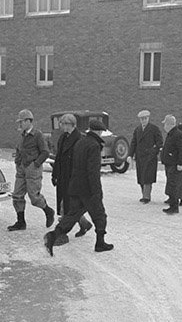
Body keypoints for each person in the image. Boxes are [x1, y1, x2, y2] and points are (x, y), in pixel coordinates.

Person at [44, 119, 114, 254]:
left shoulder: (80, 142)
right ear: (98, 131)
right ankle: (100, 243)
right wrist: (97, 192)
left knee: (72, 215)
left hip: (75, 186)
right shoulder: (94, 145)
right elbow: (92, 172)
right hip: (88, 189)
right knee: (100, 215)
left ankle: (53, 236)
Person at [7, 109, 55, 232]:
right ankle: (21, 222)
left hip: (33, 169)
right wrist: (17, 162)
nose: (20, 124)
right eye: (19, 122)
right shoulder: (22, 135)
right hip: (22, 169)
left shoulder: (37, 135)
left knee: (34, 197)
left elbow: (45, 152)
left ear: (29, 121)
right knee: (17, 195)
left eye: (22, 122)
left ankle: (48, 211)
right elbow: (19, 150)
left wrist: (36, 164)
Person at [50, 113, 92, 243]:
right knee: (68, 204)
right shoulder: (63, 137)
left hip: (73, 177)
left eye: (64, 124)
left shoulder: (79, 139)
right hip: (63, 176)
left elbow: (81, 162)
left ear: (71, 125)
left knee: (66, 205)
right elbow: (58, 158)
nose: (62, 126)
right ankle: (84, 224)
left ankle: (62, 234)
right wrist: (55, 174)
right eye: (61, 123)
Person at [130, 109, 164, 203]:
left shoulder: (154, 129)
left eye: (145, 118)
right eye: (141, 119)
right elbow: (134, 142)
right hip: (140, 157)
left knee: (147, 177)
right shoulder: (137, 129)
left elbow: (159, 143)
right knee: (141, 177)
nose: (143, 120)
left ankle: (146, 197)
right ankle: (144, 195)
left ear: (148, 118)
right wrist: (130, 154)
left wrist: (153, 152)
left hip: (150, 157)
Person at [160, 114, 182, 215]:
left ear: (169, 124)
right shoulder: (171, 134)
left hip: (175, 165)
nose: (164, 127)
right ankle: (171, 205)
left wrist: (180, 163)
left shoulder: (178, 135)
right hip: (169, 164)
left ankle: (174, 207)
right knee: (170, 185)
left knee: (173, 185)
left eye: (165, 124)